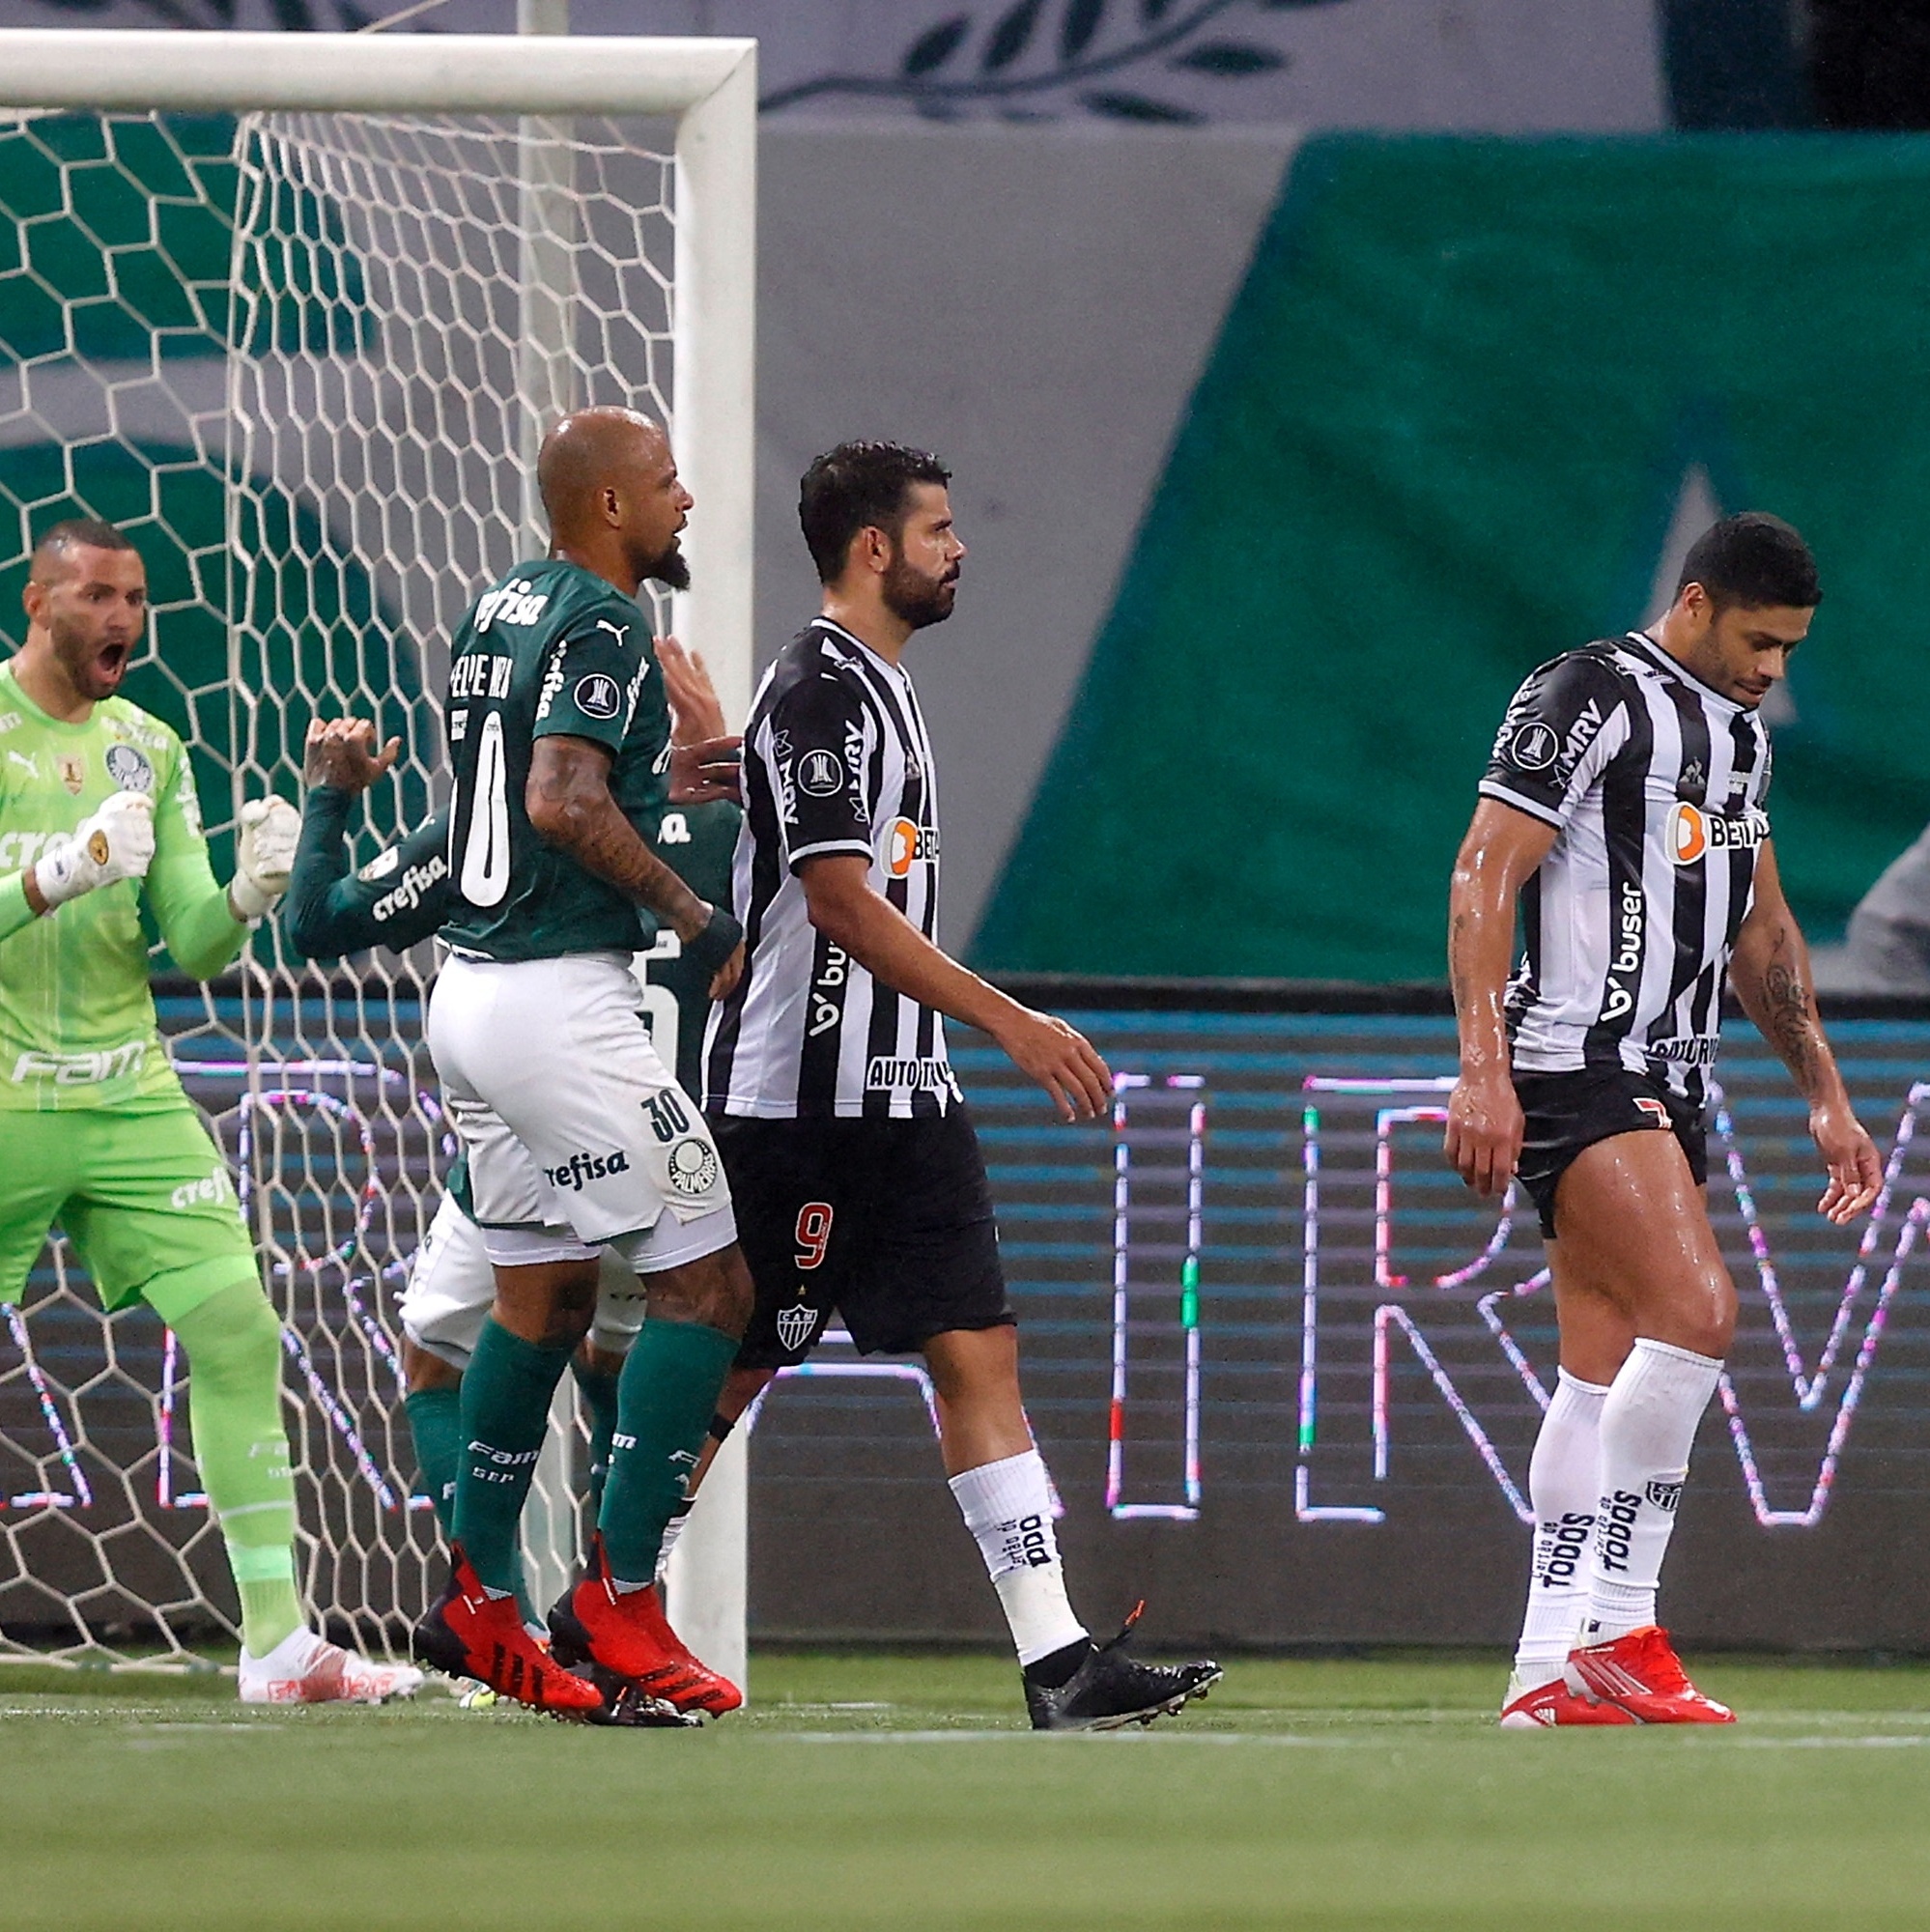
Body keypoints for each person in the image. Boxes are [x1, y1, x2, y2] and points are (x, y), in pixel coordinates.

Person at [702, 441, 1222, 1730]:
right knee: (727, 1369)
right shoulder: (821, 689)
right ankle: (596, 1609)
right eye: (936, 528)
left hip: (903, 1098)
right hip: (800, 1107)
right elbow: (834, 904)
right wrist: (1009, 1021)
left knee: (975, 1352)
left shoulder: (873, 688)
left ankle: (1057, 1664)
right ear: (871, 548)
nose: (959, 545)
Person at [1444, 513, 1883, 1728]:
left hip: (1672, 1077)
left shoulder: (1740, 740)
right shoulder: (1587, 691)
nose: (1772, 670)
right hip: (1575, 1057)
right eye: (1758, 640)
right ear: (1694, 605)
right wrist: (1480, 1066)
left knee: (1594, 1368)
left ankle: (1543, 1669)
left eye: (1791, 650)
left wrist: (1825, 1095)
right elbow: (1488, 868)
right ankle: (1619, 1626)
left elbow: (1766, 935)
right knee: (1698, 1312)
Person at [0, 519, 423, 1705]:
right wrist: (55, 874)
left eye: (135, 596)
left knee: (237, 1326)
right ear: (37, 600)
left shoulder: (150, 745)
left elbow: (186, 935)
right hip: (5, 1093)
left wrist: (246, 893)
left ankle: (279, 1643)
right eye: (95, 594)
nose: (121, 616)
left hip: (131, 1091)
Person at [284, 643, 742, 1698]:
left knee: (442, 1351)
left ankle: (492, 1596)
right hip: (672, 1151)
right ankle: (617, 1604)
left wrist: (328, 798)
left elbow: (316, 923)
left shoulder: (483, 842)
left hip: (537, 1144)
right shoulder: (726, 834)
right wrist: (718, 751)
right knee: (631, 1368)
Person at [408, 407, 756, 1723]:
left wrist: (658, 781)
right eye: (665, 483)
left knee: (541, 1298)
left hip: (470, 992)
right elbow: (559, 798)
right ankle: (616, 1598)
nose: (681, 501)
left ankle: (480, 1601)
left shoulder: (498, 602)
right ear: (608, 507)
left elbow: (529, 791)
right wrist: (688, 906)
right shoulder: (608, 620)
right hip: (562, 999)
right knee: (707, 1281)